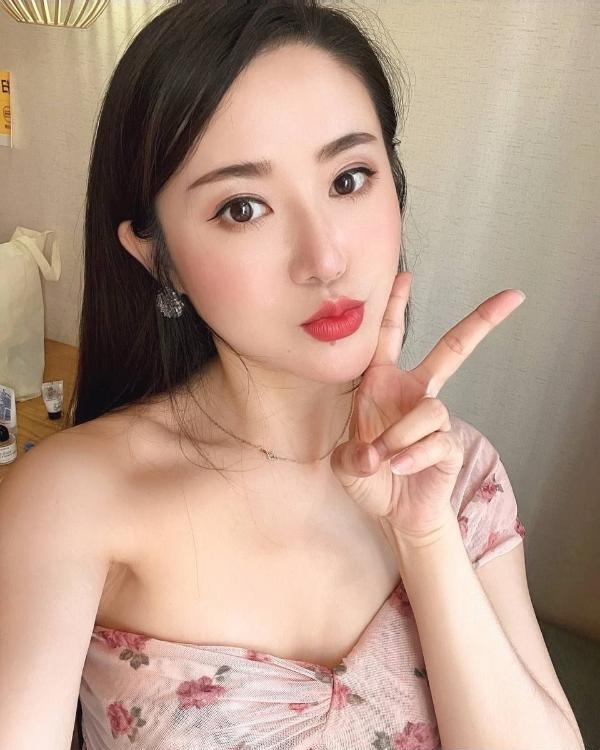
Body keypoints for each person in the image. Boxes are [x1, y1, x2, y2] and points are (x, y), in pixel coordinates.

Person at [0, 1, 585, 749]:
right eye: (243, 208)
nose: (326, 259)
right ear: (157, 256)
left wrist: (426, 538)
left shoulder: (457, 472)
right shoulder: (75, 496)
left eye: (349, 179)